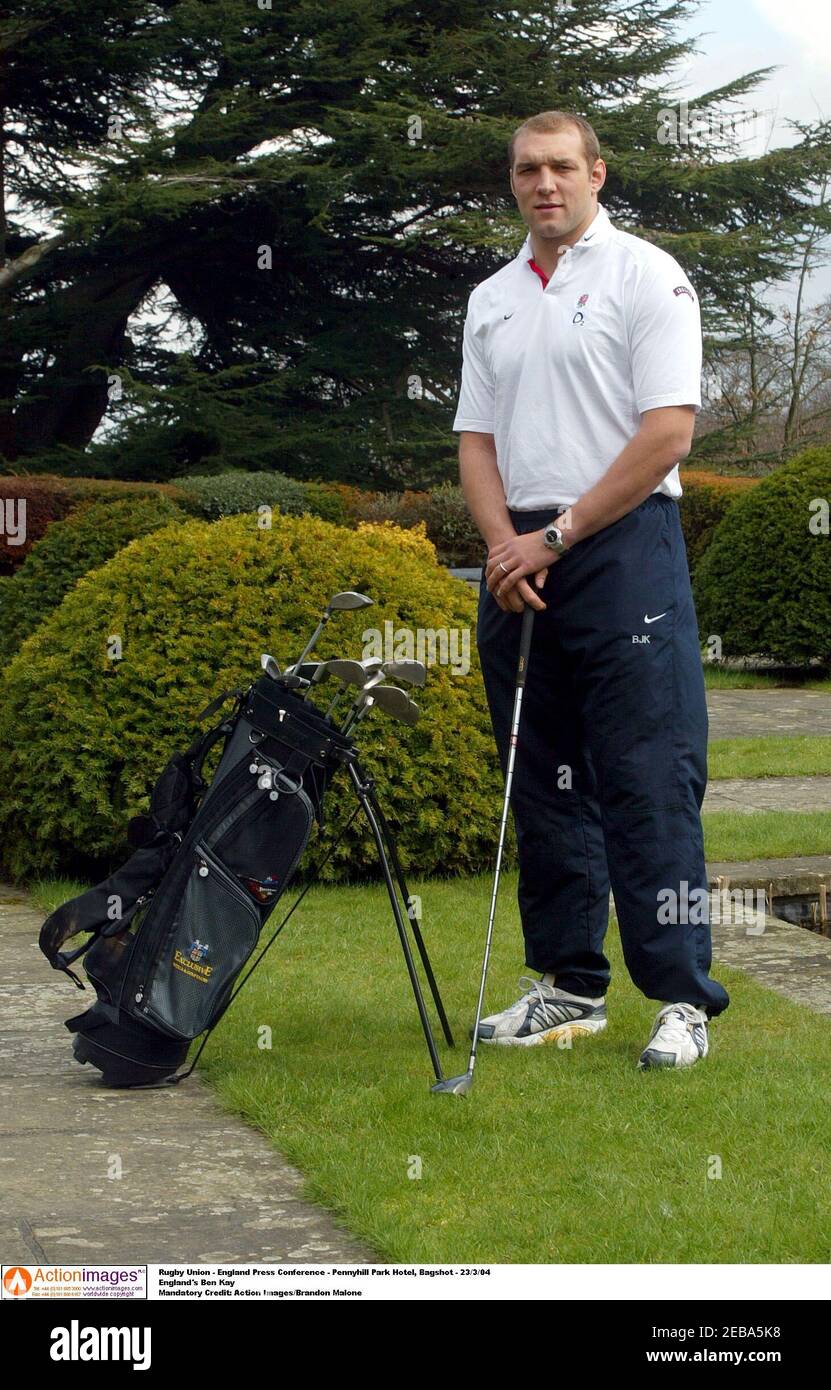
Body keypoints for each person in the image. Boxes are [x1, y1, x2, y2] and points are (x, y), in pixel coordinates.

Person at [452, 109, 729, 1069]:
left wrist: (556, 537)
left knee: (649, 779)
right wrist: (504, 547)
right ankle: (569, 986)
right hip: (519, 562)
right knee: (545, 784)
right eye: (528, 170)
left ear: (596, 174)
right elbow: (476, 440)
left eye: (562, 167)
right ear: (513, 181)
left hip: (620, 547)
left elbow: (667, 434)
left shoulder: (646, 275)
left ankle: (683, 1000)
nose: (544, 185)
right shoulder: (490, 297)